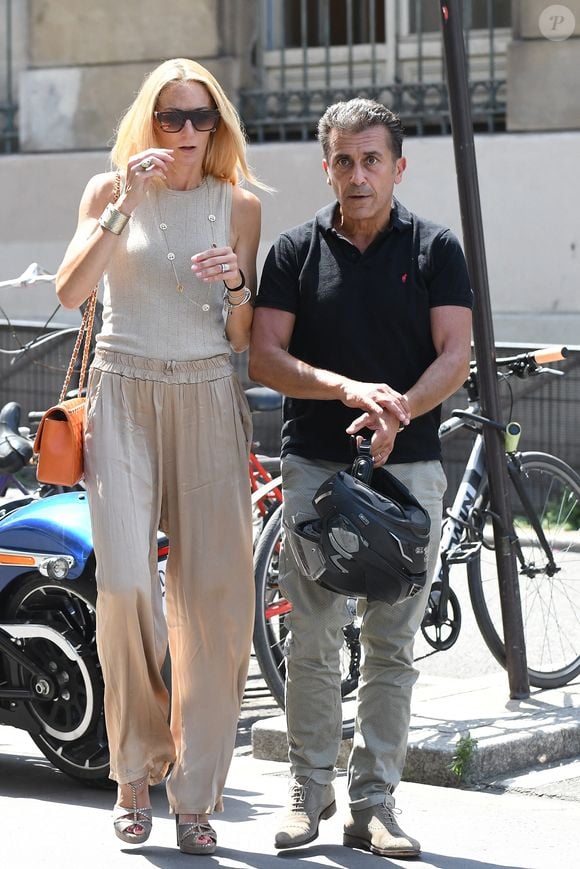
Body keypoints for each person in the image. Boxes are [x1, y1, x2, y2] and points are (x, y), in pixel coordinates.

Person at [249, 98, 473, 859]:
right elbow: (266, 358)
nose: (358, 174)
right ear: (327, 167)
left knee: (390, 644)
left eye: (371, 159)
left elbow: (456, 355)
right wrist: (349, 391)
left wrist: (400, 407)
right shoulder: (292, 252)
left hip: (407, 473)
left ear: (398, 167)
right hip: (316, 464)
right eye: (343, 160)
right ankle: (309, 792)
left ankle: (374, 802)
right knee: (310, 636)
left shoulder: (437, 247)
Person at [56, 58, 261, 856]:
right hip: (124, 391)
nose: (183, 133)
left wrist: (239, 285)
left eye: (199, 118)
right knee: (125, 583)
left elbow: (241, 336)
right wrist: (124, 208)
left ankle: (197, 792)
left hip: (208, 392)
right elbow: (72, 293)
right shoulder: (108, 190)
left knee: (214, 596)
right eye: (170, 117)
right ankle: (135, 769)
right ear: (148, 120)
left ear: (217, 126)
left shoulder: (237, 204)